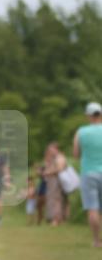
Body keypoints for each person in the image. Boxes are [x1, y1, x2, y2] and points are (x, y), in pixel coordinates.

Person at [73, 102, 102, 247]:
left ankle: (97, 240)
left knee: (93, 208)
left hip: (89, 173)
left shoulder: (81, 132)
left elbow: (76, 154)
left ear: (89, 116)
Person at [42, 142, 66, 226]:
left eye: (51, 150)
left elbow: (60, 169)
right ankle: (54, 218)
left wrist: (48, 172)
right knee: (53, 200)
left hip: (57, 181)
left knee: (57, 200)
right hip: (52, 181)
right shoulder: (53, 158)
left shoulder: (60, 157)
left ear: (56, 149)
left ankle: (57, 219)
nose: (50, 151)